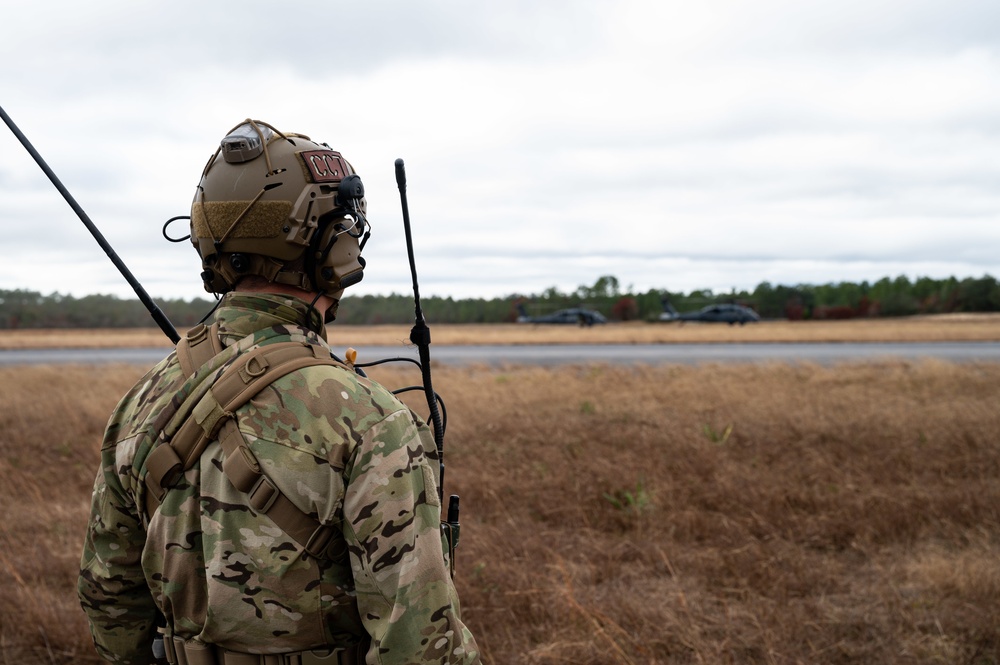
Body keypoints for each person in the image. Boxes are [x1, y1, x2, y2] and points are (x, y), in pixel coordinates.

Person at [78, 120, 480, 665]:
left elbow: (110, 604)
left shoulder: (138, 403)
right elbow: (419, 645)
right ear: (330, 249)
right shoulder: (368, 419)